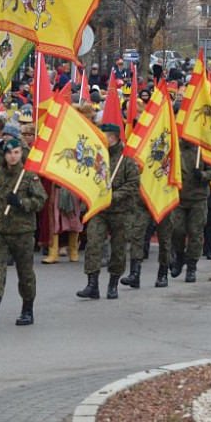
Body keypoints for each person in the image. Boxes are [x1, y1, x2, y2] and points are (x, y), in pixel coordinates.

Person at [0, 138, 48, 328]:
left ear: (21, 153)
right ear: (4, 155)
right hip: (1, 231)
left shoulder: (29, 175)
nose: (13, 156)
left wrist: (21, 203)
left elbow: (41, 201)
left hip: (23, 232)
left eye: (16, 152)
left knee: (25, 274)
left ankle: (27, 310)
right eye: (9, 153)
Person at [77, 124, 140, 299]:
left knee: (118, 249)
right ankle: (92, 285)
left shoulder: (126, 160)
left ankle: (113, 285)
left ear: (113, 138)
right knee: (93, 244)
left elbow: (133, 184)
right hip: (100, 210)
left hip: (121, 212)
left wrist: (115, 195)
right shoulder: (97, 155)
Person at [168, 140, 211, 282]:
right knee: (176, 230)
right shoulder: (174, 147)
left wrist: (202, 175)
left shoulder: (203, 149)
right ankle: (179, 257)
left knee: (195, 233)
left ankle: (191, 267)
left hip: (198, 198)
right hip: (178, 197)